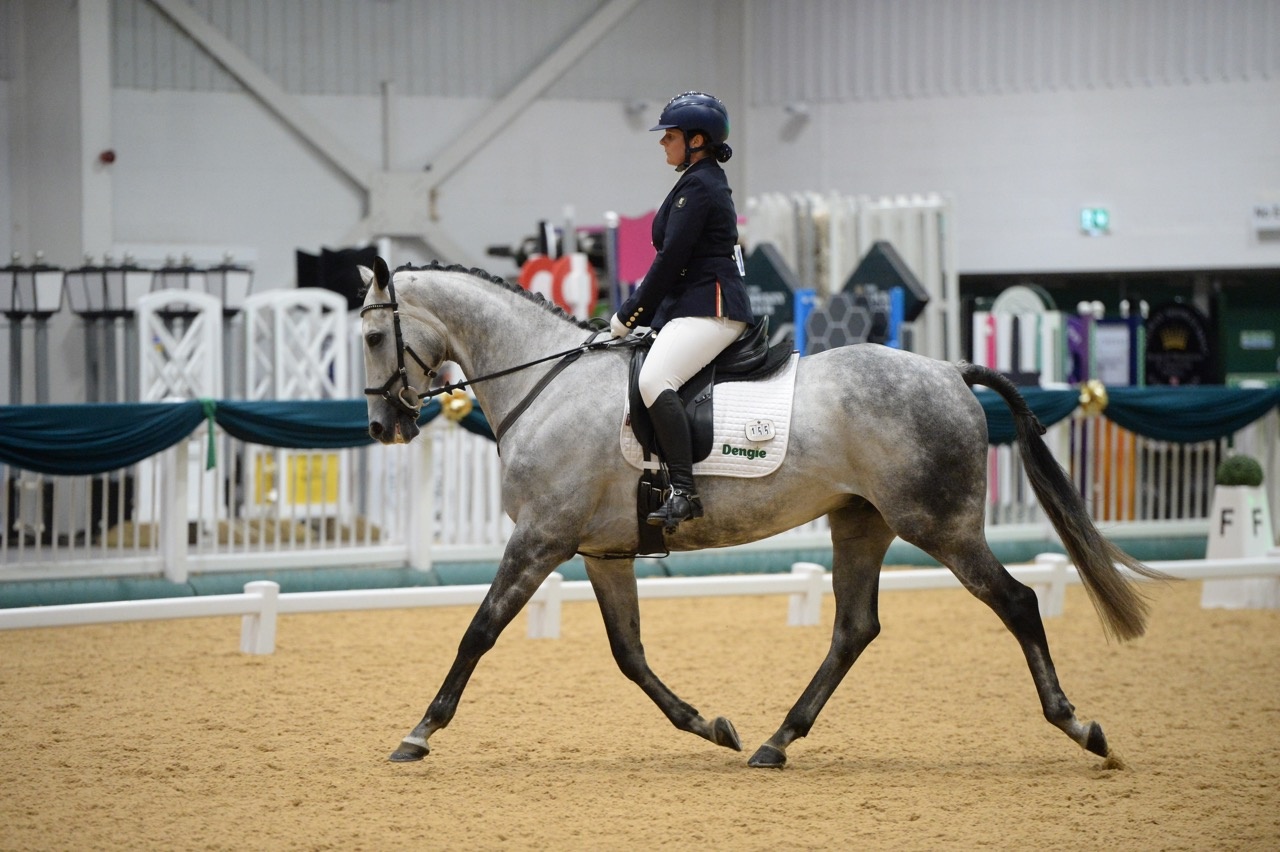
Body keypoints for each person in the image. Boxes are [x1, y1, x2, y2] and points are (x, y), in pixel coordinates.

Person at [610, 91, 755, 531]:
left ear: (696, 140)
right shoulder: (695, 180)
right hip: (690, 304)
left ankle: (685, 491)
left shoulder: (701, 185)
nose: (662, 143)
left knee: (656, 379)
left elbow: (671, 260)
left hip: (711, 305)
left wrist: (630, 314)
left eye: (669, 135)